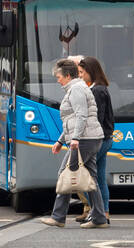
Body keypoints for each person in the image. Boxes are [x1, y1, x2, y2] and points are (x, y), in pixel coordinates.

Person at [40, 58, 108, 228]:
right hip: (91, 137)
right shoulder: (76, 88)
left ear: (68, 76)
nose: (58, 80)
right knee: (91, 178)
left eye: (59, 76)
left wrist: (75, 138)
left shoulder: (76, 90)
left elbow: (81, 115)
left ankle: (58, 217)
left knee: (65, 173)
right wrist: (60, 140)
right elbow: (72, 120)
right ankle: (99, 218)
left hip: (85, 139)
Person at [78, 56, 114, 225]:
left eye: (82, 73)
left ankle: (97, 212)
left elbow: (96, 119)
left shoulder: (97, 91)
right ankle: (103, 212)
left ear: (91, 72)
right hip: (105, 139)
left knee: (84, 176)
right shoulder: (100, 89)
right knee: (99, 177)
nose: (80, 76)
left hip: (97, 139)